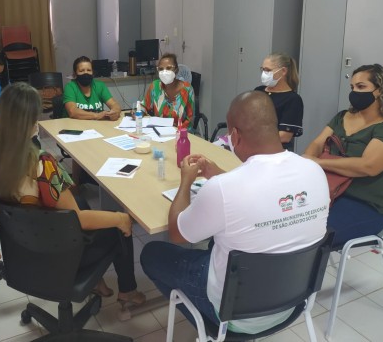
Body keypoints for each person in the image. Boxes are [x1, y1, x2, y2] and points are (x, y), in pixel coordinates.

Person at [141, 91, 329, 334]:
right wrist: (217, 173)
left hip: (234, 316)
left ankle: (208, 325)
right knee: (222, 241)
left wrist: (186, 182)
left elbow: (177, 234)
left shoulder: (224, 188)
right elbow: (260, 192)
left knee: (152, 254)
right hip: (292, 304)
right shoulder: (314, 171)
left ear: (236, 136)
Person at [0, 82, 146, 309]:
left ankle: (97, 282)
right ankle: (128, 291)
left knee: (80, 200)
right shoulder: (41, 164)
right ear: (28, 121)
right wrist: (120, 218)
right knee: (118, 224)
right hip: (58, 249)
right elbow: (79, 219)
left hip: (24, 247)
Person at [304, 64, 383, 247]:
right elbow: (316, 144)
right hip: (327, 193)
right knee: (285, 223)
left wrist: (318, 162)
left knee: (310, 236)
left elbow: (368, 166)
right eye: (352, 87)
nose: (354, 92)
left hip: (363, 204)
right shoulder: (342, 117)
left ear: (380, 90)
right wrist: (309, 159)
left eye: (361, 87)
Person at [255, 52, 303, 150]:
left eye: (268, 70)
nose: (264, 73)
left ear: (283, 71)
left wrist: (253, 140)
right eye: (263, 69)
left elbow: (284, 136)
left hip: (273, 150)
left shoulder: (293, 100)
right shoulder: (258, 91)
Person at [141, 53, 195, 129]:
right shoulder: (155, 86)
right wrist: (139, 112)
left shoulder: (188, 89)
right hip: (158, 131)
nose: (164, 72)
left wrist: (178, 130)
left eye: (169, 68)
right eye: (161, 69)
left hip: (181, 132)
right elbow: (144, 106)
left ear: (176, 70)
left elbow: (190, 118)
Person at [63, 56, 121, 121]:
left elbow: (114, 104)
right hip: (75, 124)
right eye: (81, 71)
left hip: (98, 124)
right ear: (75, 74)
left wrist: (115, 112)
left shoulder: (100, 85)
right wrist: (96, 115)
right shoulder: (70, 87)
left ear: (92, 72)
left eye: (89, 70)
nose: (86, 73)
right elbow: (72, 111)